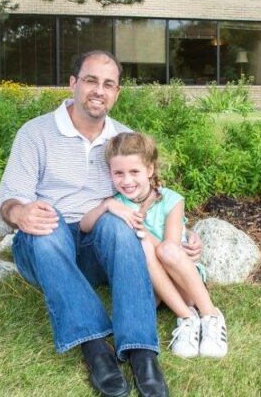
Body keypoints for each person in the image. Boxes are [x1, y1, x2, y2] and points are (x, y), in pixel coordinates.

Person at [0, 50, 202, 397]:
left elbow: (149, 195)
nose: (99, 90)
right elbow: (10, 198)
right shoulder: (36, 133)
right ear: (73, 84)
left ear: (117, 93)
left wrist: (182, 233)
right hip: (46, 249)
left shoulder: (123, 139)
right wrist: (19, 213)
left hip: (100, 249)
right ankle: (95, 347)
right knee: (47, 224)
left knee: (118, 226)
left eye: (109, 84)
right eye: (91, 80)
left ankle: (141, 351)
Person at [80, 132, 227, 359]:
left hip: (183, 278)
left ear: (149, 170)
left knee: (155, 245)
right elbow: (84, 225)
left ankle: (211, 315)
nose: (127, 181)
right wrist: (107, 205)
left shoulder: (171, 200)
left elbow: (169, 249)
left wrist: (143, 230)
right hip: (152, 283)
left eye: (134, 172)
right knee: (144, 248)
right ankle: (187, 318)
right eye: (118, 173)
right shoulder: (118, 204)